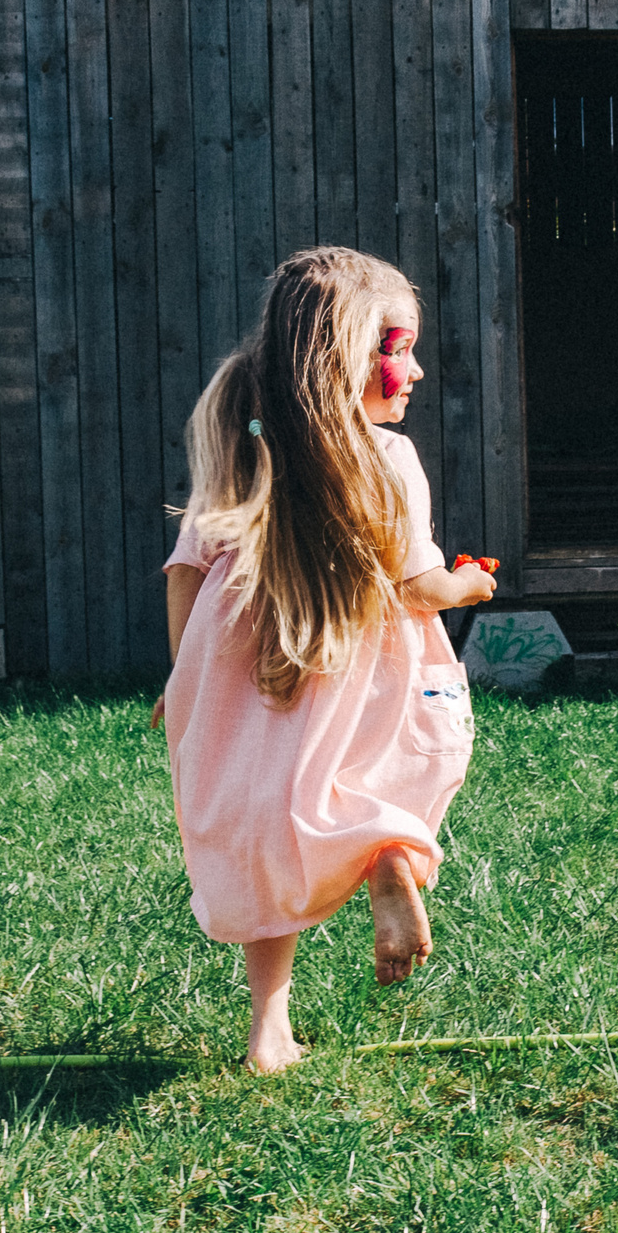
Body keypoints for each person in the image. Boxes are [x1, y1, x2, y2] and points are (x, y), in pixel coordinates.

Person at [155, 247, 497, 1073]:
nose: (412, 368)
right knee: (375, 777)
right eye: (399, 346)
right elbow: (418, 586)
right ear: (347, 354)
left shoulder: (248, 447)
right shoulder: (389, 459)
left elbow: (186, 568)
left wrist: (182, 678)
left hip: (248, 673)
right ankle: (385, 854)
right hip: (365, 671)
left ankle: (268, 1030)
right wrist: (468, 586)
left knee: (265, 824)